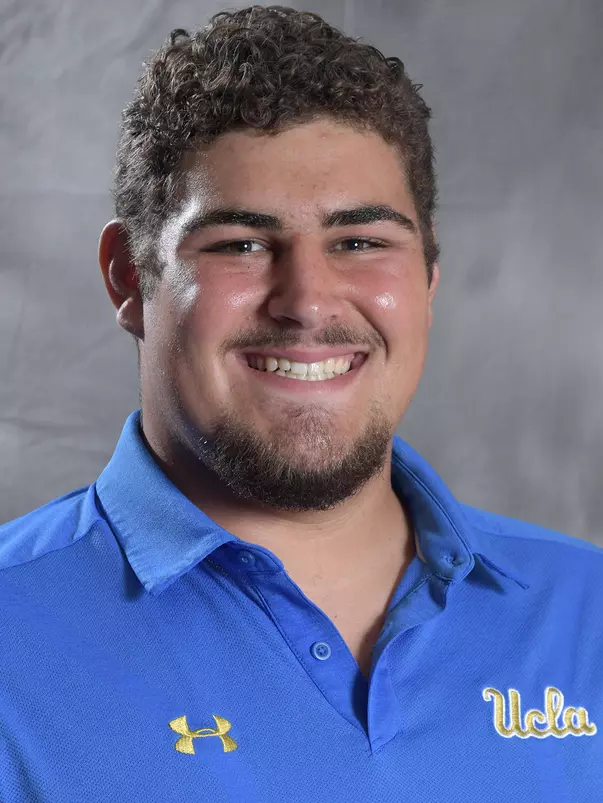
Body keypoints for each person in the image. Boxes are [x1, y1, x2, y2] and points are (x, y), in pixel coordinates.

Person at [1, 5, 601, 802]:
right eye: (239, 244)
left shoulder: (585, 613)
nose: (307, 301)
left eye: (360, 241)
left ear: (426, 279)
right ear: (127, 277)